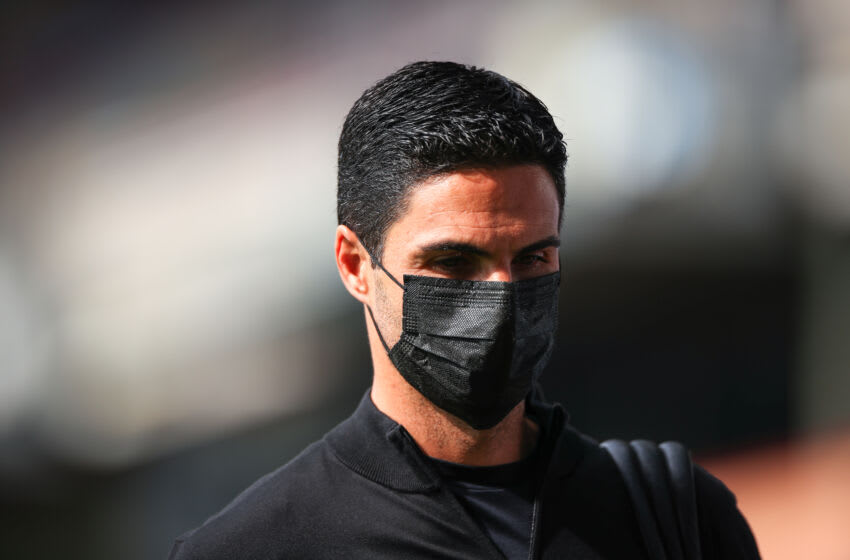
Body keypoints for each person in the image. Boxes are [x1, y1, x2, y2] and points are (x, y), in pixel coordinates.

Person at [168, 61, 760, 559]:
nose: (500, 295)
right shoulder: (255, 547)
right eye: (453, 262)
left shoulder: (672, 515)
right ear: (355, 265)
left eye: (531, 258)